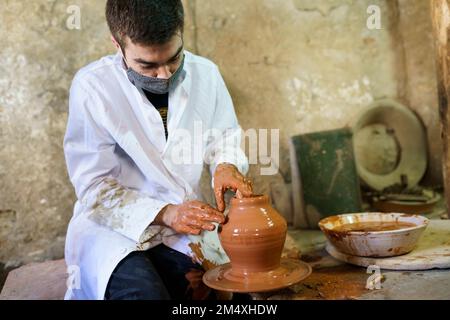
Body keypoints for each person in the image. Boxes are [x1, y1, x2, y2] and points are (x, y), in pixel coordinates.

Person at [63, 0, 253, 300]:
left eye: (174, 58)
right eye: (147, 66)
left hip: (182, 225)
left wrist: (225, 164)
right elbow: (94, 185)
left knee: (229, 291)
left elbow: (224, 138)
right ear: (117, 43)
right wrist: (164, 213)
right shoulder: (92, 88)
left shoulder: (206, 74)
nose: (164, 75)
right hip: (114, 227)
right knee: (145, 295)